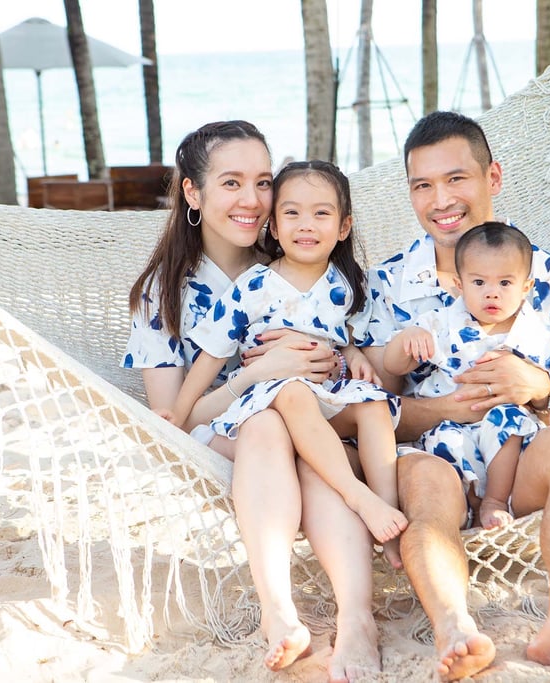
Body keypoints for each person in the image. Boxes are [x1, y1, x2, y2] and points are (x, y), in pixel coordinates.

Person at [359, 110, 550, 680]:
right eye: (422, 185)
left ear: (494, 178)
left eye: (456, 178)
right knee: (426, 480)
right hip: (436, 458)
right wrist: (444, 410)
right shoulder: (385, 288)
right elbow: (356, 414)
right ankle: (456, 628)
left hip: (523, 460)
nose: (441, 200)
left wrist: (539, 388)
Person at [125, 122, 381, 681]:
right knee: (270, 425)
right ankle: (279, 613)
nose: (252, 200)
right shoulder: (163, 293)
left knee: (301, 439)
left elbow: (354, 336)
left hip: (315, 424)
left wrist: (336, 359)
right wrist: (258, 374)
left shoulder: (302, 248)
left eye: (263, 182)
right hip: (227, 436)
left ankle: (357, 620)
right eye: (232, 182)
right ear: (193, 193)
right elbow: (175, 419)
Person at [161, 159, 408, 563]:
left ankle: (388, 510)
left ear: (343, 227)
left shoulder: (349, 284)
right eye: (291, 213)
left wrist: (353, 354)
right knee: (293, 392)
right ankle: (357, 495)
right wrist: (178, 412)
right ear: (274, 227)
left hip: (328, 395)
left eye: (321, 214)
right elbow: (212, 354)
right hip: (271, 398)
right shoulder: (255, 284)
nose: (305, 225)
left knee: (374, 404)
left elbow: (352, 334)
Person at [383, 222, 550, 531]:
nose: (492, 293)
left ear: (526, 287)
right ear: (459, 284)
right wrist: (408, 340)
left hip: (504, 434)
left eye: (505, 283)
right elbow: (393, 365)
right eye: (479, 282)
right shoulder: (440, 324)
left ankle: (494, 501)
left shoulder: (536, 334)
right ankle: (466, 507)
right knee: (444, 440)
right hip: (449, 424)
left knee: (509, 419)